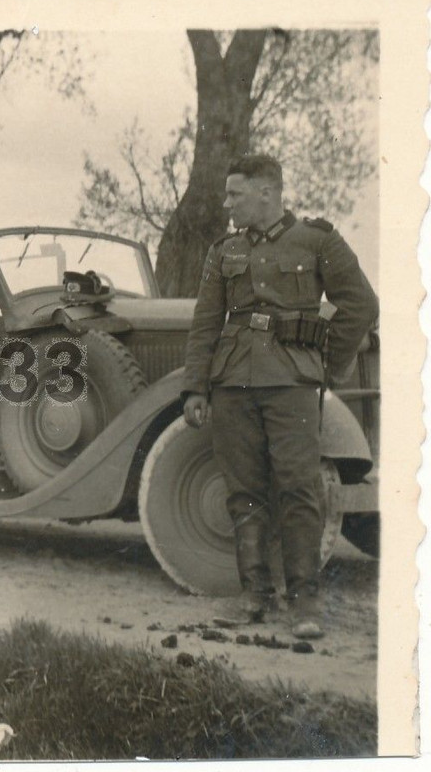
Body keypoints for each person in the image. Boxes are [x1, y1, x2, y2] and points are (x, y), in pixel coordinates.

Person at [181, 155, 378, 639]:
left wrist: (327, 363)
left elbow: (361, 304)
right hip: (233, 383)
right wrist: (196, 387)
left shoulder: (317, 240)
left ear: (267, 192)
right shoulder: (223, 251)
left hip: (292, 384)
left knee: (299, 487)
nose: (227, 204)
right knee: (243, 491)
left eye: (235, 194)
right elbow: (206, 322)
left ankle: (304, 601)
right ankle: (253, 596)